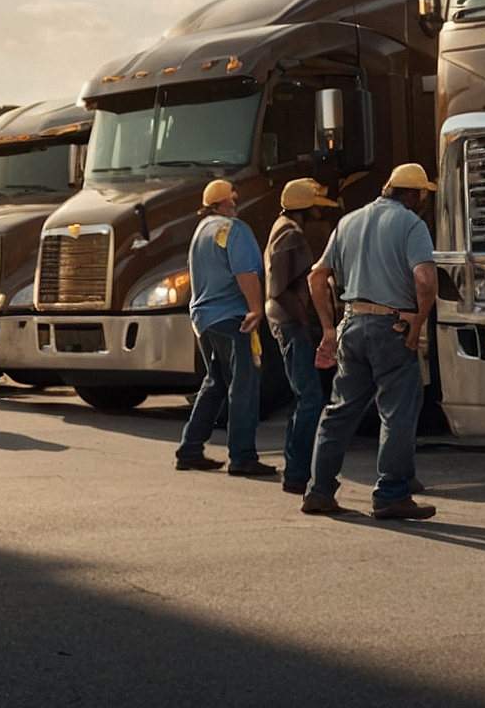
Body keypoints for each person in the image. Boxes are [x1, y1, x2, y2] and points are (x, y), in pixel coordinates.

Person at [302, 164, 439, 520]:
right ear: (412, 195)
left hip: (352, 323)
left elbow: (316, 277)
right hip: (390, 327)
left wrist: (329, 329)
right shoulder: (411, 224)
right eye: (421, 194)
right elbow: (425, 280)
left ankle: (319, 491)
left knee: (339, 412)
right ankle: (392, 493)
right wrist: (417, 323)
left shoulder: (348, 222)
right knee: (397, 412)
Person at [176, 179, 276, 477]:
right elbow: (245, 272)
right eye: (232, 199)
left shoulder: (200, 232)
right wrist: (257, 310)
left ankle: (190, 449)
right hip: (234, 318)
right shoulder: (234, 230)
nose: (236, 202)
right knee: (244, 385)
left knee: (216, 382)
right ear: (224, 203)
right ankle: (242, 456)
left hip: (204, 320)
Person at [267, 177, 339, 495]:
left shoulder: (280, 226)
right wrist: (306, 324)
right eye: (315, 208)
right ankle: (297, 473)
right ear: (305, 207)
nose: (319, 214)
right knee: (310, 399)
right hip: (293, 327)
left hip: (287, 325)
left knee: (304, 399)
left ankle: (294, 470)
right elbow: (279, 289)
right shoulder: (291, 233)